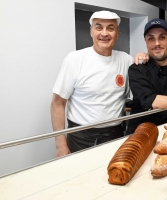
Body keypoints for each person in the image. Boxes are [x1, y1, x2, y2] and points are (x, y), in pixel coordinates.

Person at [51, 11, 149, 157]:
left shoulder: (125, 60)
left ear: (117, 33)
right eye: (98, 27)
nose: (104, 33)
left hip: (114, 135)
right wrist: (60, 146)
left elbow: (140, 95)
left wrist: (143, 58)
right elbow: (57, 103)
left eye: (110, 28)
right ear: (91, 31)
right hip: (80, 137)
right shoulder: (75, 59)